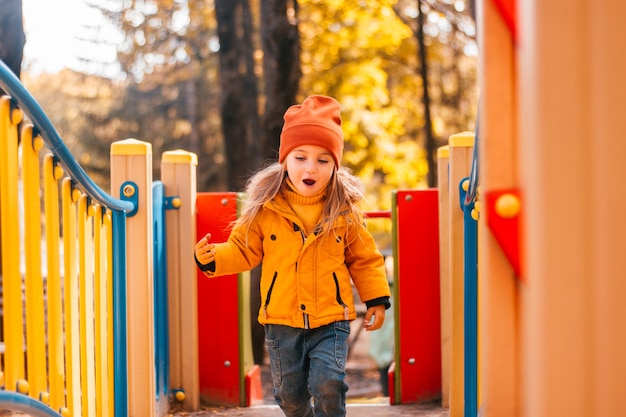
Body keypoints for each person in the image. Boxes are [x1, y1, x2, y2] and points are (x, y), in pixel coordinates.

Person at [194, 95, 391, 417]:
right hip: (281, 320)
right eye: (300, 157)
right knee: (289, 395)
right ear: (285, 161)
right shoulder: (265, 208)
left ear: (335, 167)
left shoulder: (344, 212)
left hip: (331, 318)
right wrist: (213, 257)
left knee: (328, 383)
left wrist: (376, 300)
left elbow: (364, 259)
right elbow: (243, 250)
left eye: (323, 160)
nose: (311, 167)